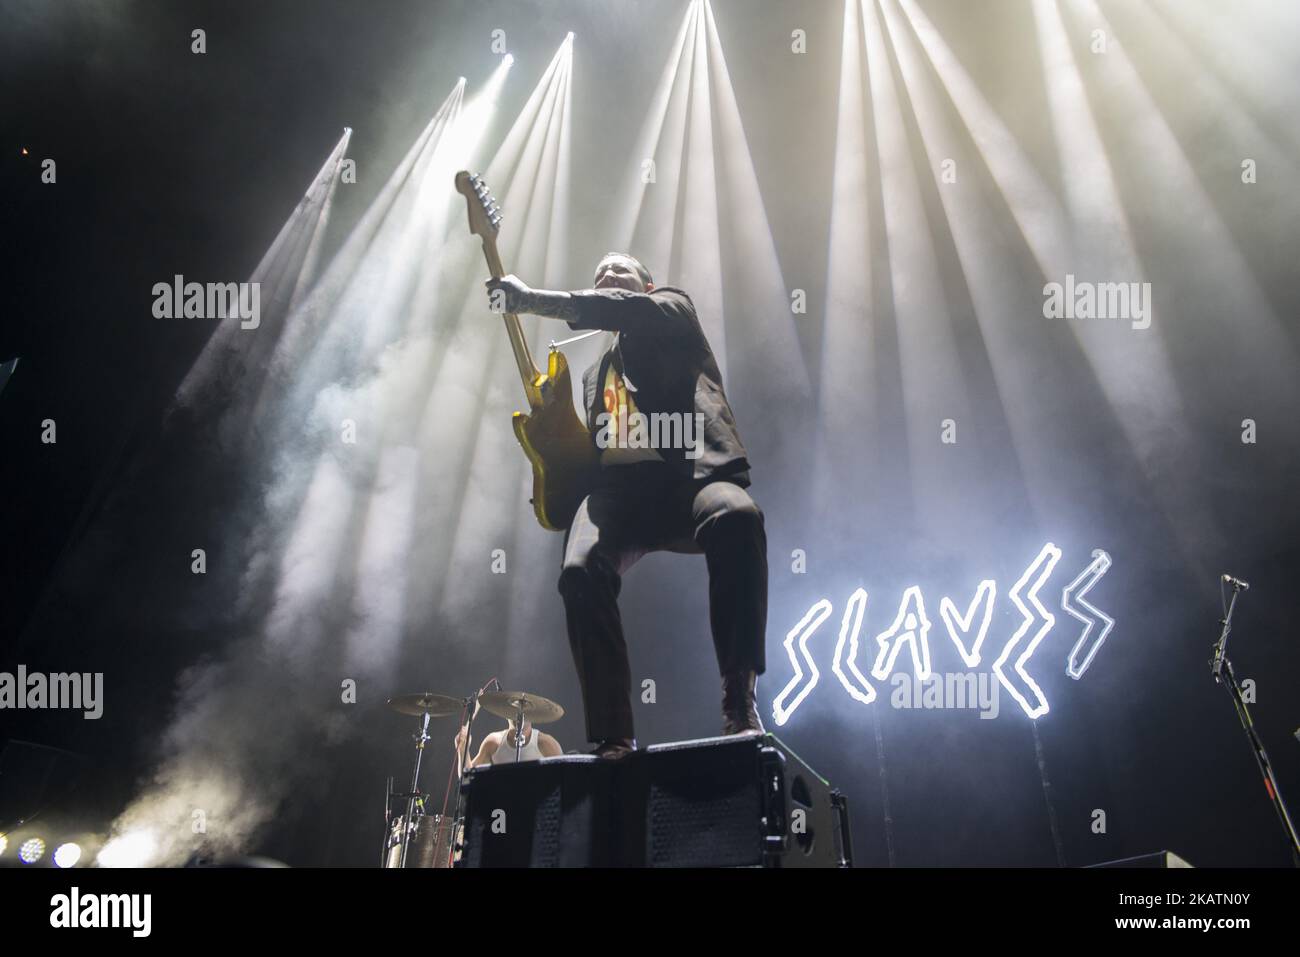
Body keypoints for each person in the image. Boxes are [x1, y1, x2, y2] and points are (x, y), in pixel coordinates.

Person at [485, 253, 767, 759]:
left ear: (648, 284)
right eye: (598, 274)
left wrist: (532, 300)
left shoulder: (672, 308)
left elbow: (626, 310)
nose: (607, 277)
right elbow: (590, 453)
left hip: (689, 478)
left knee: (737, 516)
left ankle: (739, 700)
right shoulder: (595, 375)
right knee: (579, 570)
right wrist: (553, 433)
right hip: (622, 495)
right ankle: (614, 735)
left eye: (618, 271)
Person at [456, 718, 562, 771]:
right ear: (505, 713)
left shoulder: (546, 743)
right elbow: (467, 779)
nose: (520, 713)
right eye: (514, 709)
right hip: (500, 810)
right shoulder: (493, 742)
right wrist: (462, 749)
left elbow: (565, 781)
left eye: (524, 708)